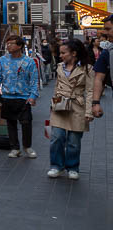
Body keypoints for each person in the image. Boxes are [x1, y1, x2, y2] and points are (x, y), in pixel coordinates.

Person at [48, 38, 95, 180]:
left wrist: (89, 111)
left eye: (63, 53)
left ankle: (72, 167)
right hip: (60, 105)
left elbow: (90, 91)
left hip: (77, 106)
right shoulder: (60, 66)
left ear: (74, 53)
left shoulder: (87, 68)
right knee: (56, 137)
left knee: (74, 141)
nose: (60, 55)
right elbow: (57, 87)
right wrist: (53, 104)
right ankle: (56, 166)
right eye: (60, 53)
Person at [0, 35, 39, 158]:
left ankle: (27, 147)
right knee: (10, 123)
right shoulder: (2, 60)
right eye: (7, 43)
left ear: (20, 46)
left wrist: (33, 96)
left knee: (26, 123)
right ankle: (15, 148)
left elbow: (34, 80)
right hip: (7, 96)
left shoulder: (29, 62)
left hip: (24, 97)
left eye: (11, 43)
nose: (8, 46)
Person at [91, 15, 113, 118]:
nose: (105, 32)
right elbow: (99, 78)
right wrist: (96, 102)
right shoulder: (107, 52)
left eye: (108, 29)